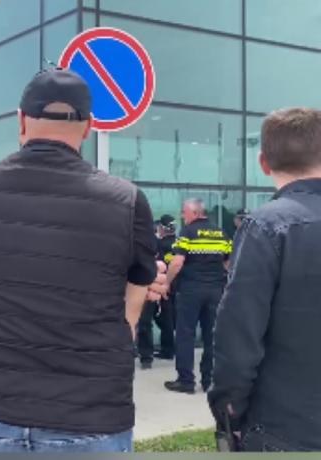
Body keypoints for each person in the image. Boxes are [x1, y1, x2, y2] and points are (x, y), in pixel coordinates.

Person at [0, 68, 165, 453]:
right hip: (90, 413)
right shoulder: (125, 200)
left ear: (21, 120)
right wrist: (125, 326)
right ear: (88, 128)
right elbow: (139, 286)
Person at [209, 108, 321, 451]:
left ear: (263, 163)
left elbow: (238, 333)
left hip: (284, 427)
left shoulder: (267, 226)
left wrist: (228, 410)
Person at [163, 199, 232, 394]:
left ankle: (186, 381)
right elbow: (228, 263)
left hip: (191, 290)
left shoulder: (188, 232)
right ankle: (208, 380)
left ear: (194, 213)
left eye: (184, 212)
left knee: (185, 334)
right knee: (211, 336)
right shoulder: (221, 233)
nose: (182, 216)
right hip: (215, 291)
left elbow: (177, 262)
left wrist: (166, 283)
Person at [137, 214, 178, 368]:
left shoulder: (155, 244)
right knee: (163, 320)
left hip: (153, 286)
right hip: (164, 287)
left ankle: (147, 356)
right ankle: (166, 351)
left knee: (146, 322)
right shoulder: (175, 243)